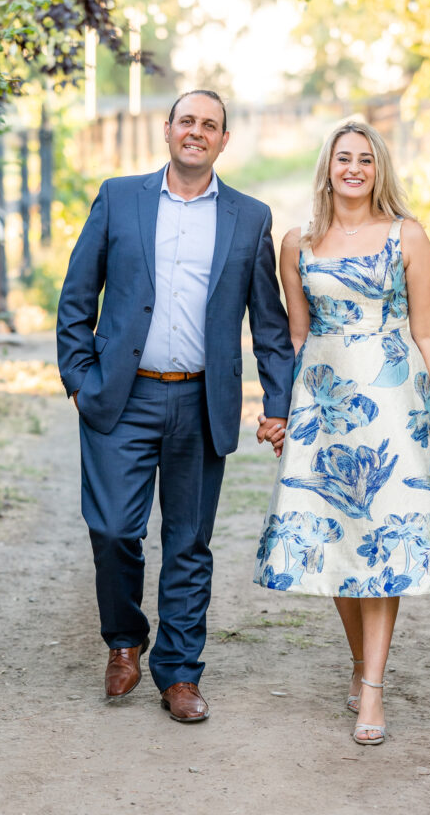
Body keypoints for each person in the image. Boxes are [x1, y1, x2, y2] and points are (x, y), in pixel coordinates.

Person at [254, 120, 430, 745]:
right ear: (327, 168)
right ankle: (362, 666)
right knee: (336, 537)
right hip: (324, 403)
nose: (354, 168)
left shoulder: (406, 236)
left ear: (379, 168)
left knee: (384, 539)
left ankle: (373, 692)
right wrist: (283, 410)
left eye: (365, 159)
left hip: (394, 403)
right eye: (343, 158)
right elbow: (297, 336)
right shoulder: (297, 242)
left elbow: (429, 330)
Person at [57, 90, 293, 722]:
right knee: (112, 530)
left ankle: (180, 674)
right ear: (166, 130)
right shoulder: (118, 197)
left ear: (223, 141)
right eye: (186, 120)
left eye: (209, 125)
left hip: (200, 397)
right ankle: (125, 640)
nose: (196, 132)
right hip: (120, 396)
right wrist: (79, 378)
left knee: (189, 542)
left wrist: (279, 400)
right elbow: (78, 292)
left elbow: (268, 324)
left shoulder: (249, 217)